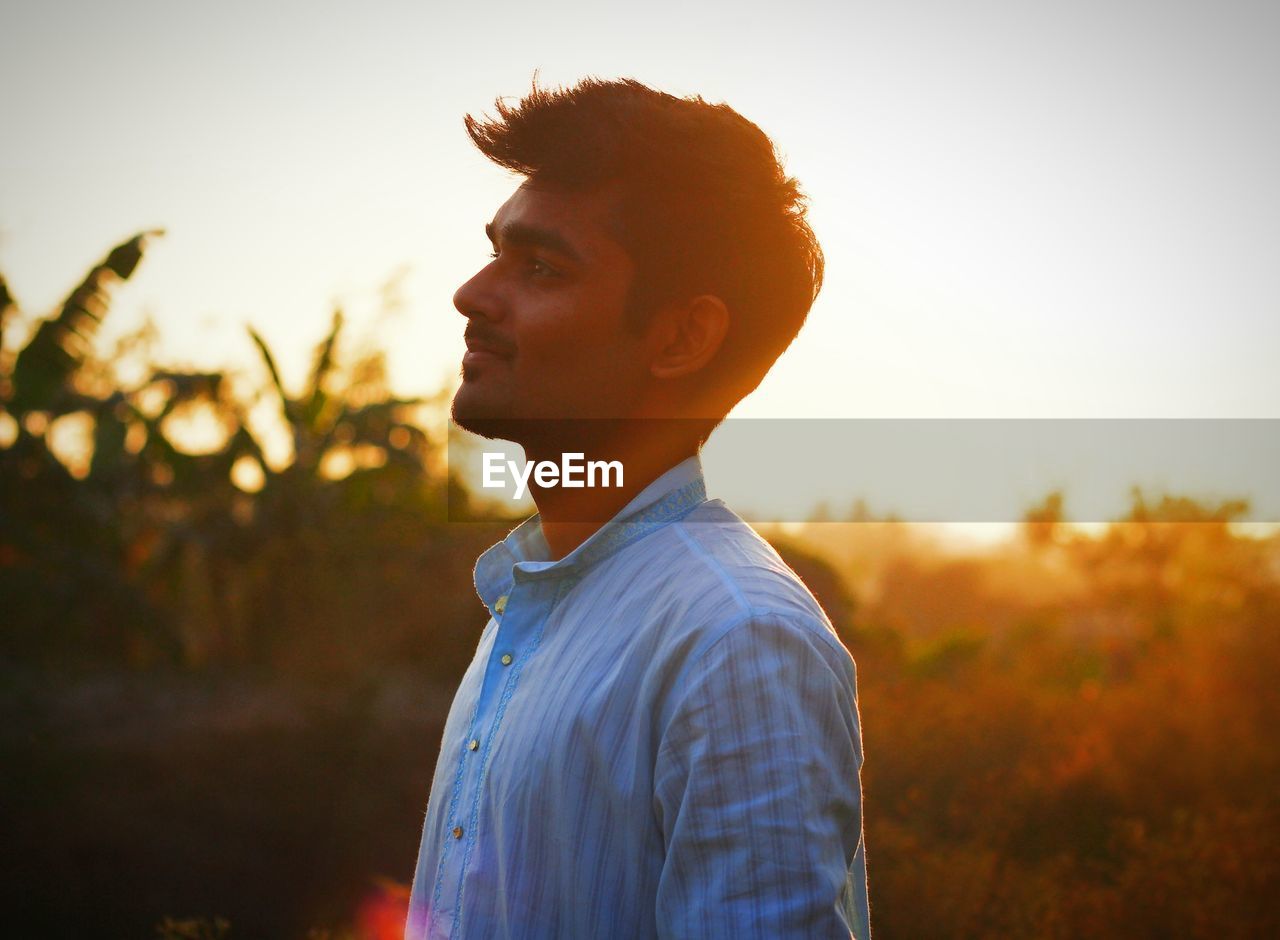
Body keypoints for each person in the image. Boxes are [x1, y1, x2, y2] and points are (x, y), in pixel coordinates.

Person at [406, 77, 870, 939]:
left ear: (682, 338)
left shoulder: (735, 641)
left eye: (540, 266)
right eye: (495, 252)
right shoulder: (533, 601)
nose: (472, 295)